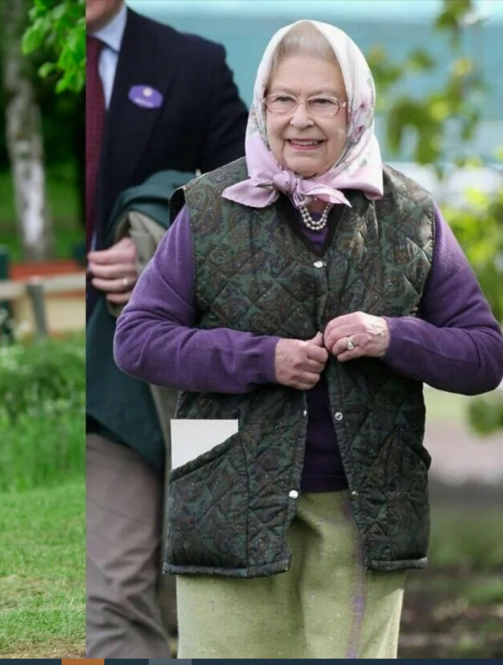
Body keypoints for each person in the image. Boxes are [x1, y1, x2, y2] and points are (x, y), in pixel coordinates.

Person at [113, 19, 503, 659]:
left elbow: (484, 355)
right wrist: (261, 358)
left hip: (366, 510)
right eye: (283, 99)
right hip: (224, 501)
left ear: (357, 109)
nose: (300, 119)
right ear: (261, 106)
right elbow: (137, 341)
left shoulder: (411, 213)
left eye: (324, 100)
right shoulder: (208, 206)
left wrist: (390, 335)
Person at [84, 0, 249, 657]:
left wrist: (156, 242)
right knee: (106, 595)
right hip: (76, 382)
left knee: (187, 593)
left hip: (162, 379)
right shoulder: (16, 58)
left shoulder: (194, 65)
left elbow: (250, 195)